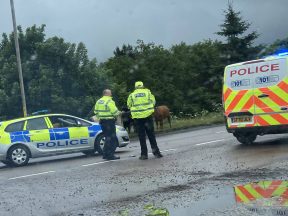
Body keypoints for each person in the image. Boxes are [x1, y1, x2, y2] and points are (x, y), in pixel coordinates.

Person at [127, 81, 163, 160]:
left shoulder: (132, 95)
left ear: (135, 87)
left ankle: (144, 155)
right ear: (143, 86)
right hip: (148, 116)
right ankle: (156, 153)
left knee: (141, 136)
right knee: (151, 135)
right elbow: (153, 102)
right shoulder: (147, 92)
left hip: (138, 118)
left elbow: (129, 105)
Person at [94, 89, 121, 160]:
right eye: (110, 93)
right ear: (107, 94)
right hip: (109, 122)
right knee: (112, 138)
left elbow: (96, 111)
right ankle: (110, 155)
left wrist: (101, 117)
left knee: (107, 138)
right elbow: (115, 112)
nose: (111, 94)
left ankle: (105, 154)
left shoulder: (99, 101)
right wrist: (119, 113)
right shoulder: (109, 101)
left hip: (103, 122)